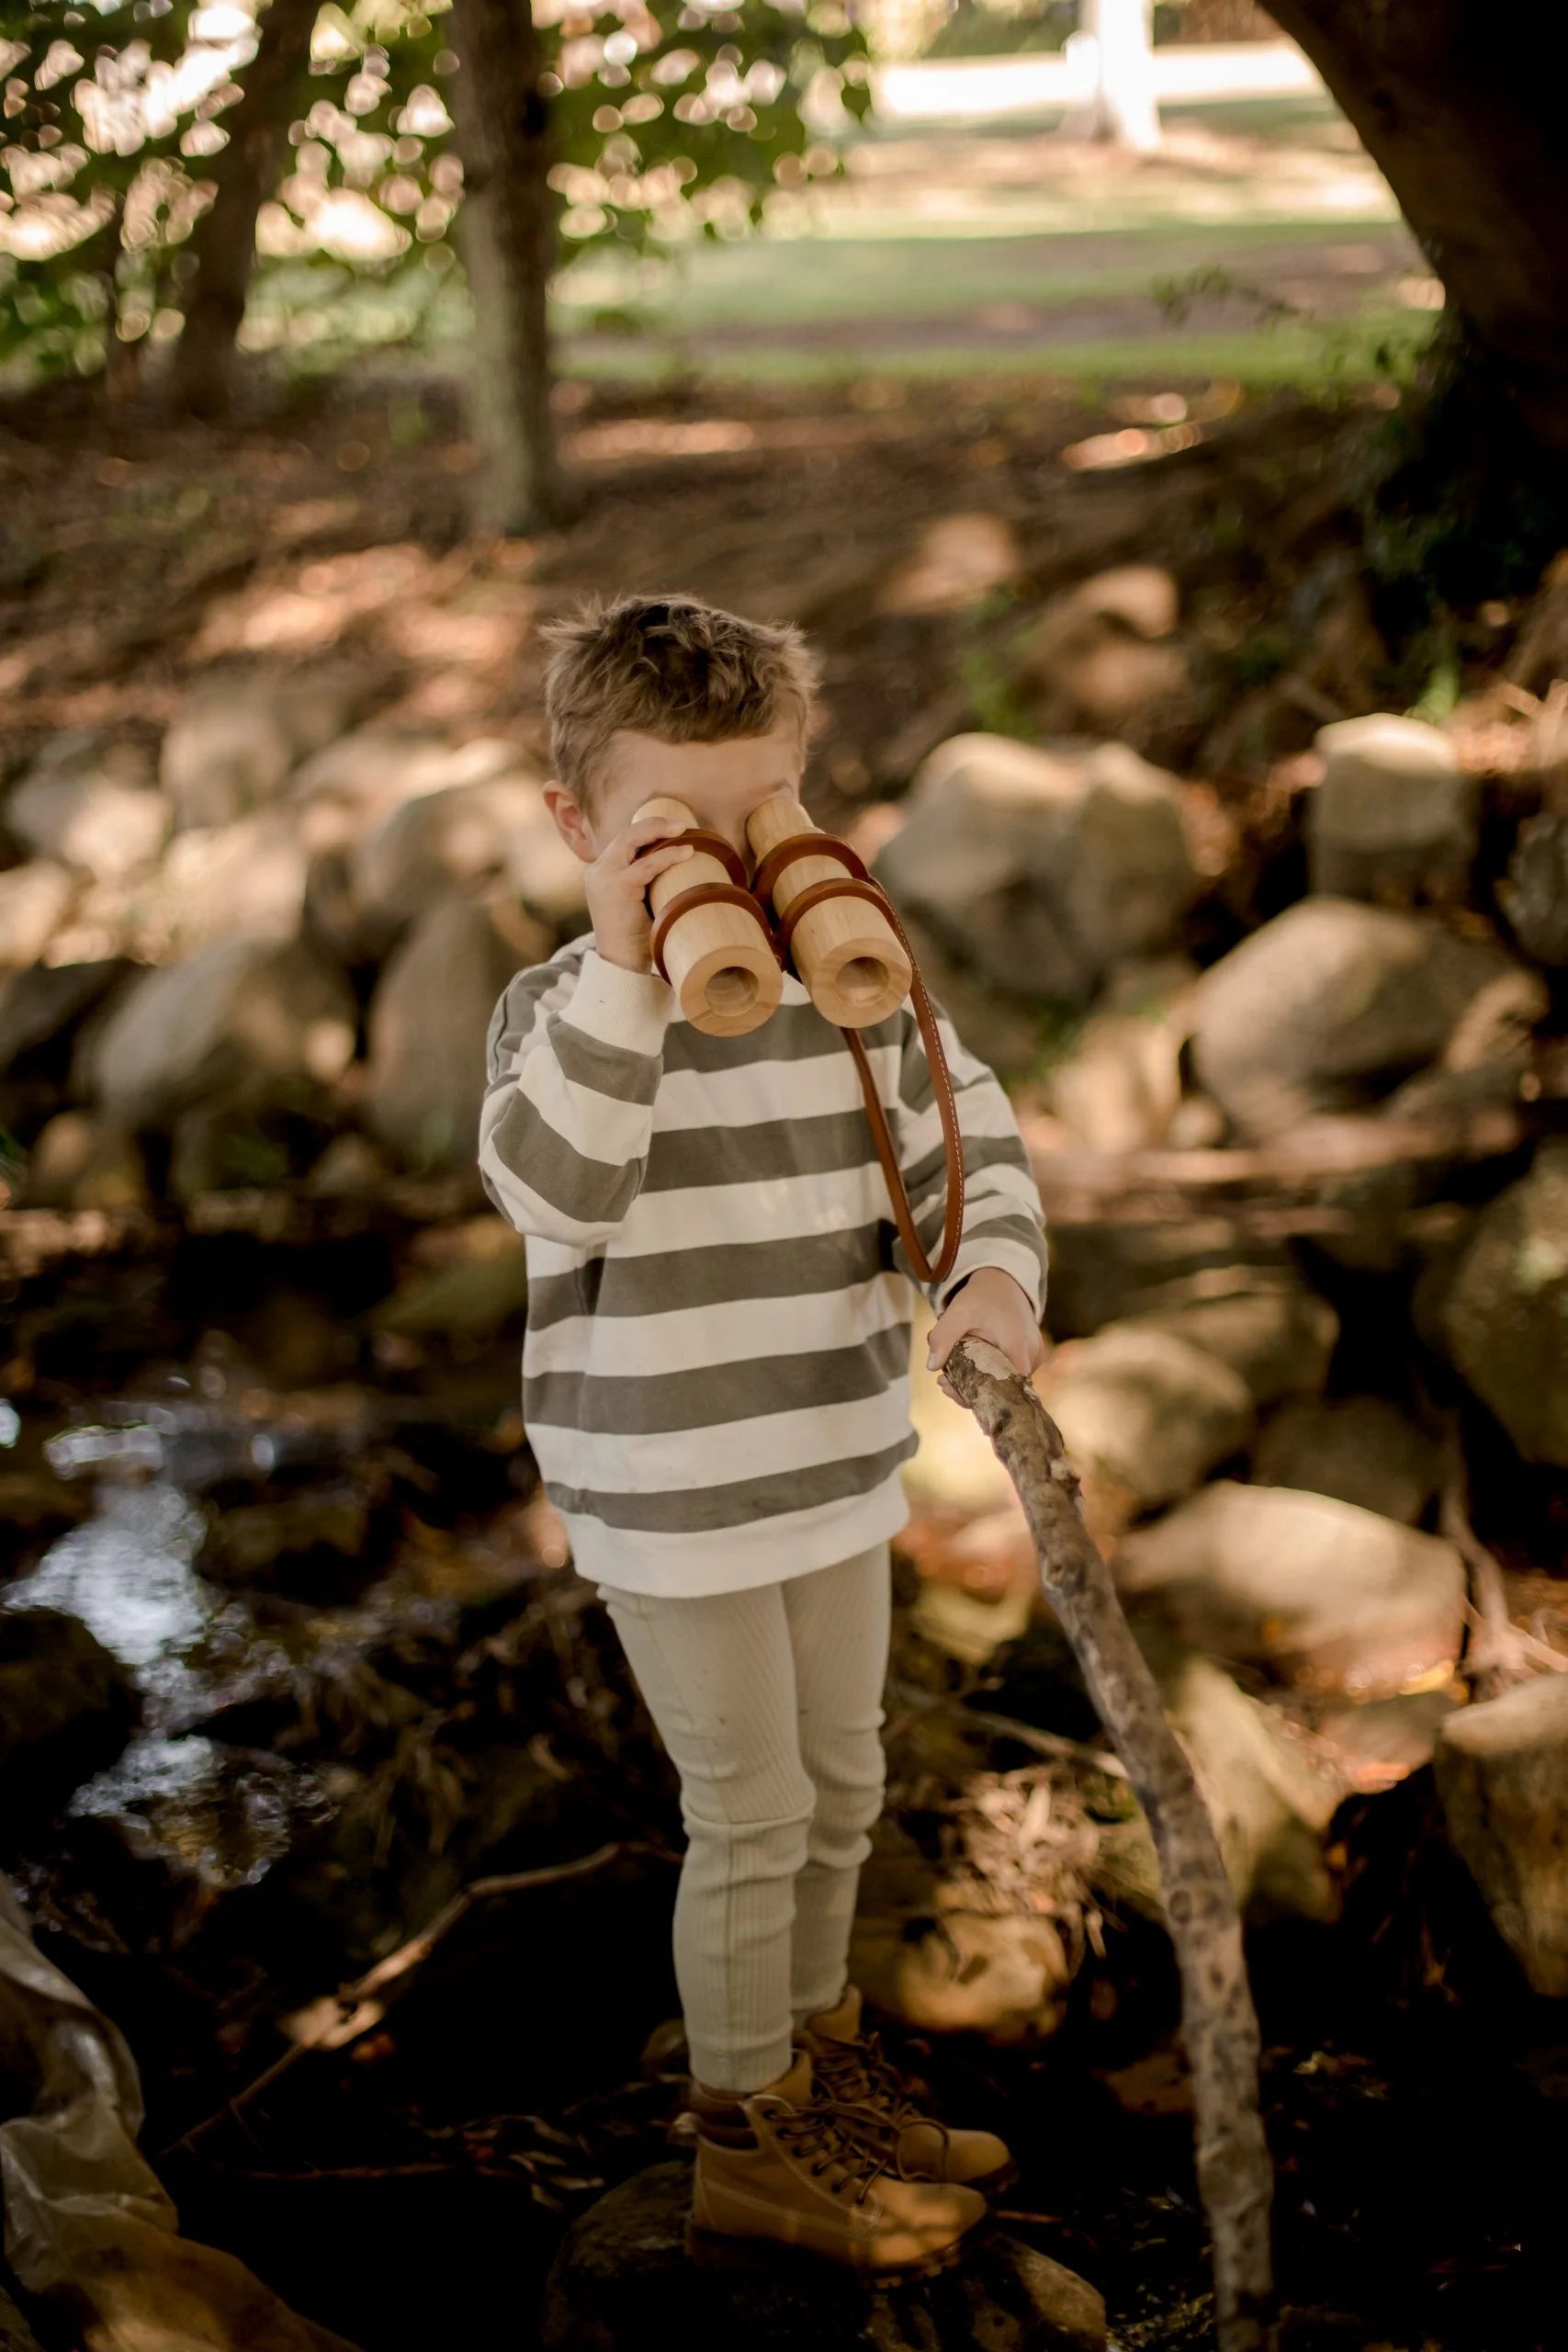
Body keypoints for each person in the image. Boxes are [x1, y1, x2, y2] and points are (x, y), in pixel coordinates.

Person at [479, 594, 1048, 2281]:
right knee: (749, 1808)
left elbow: (973, 1145)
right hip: (667, 1483)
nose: (738, 868)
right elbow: (551, 1189)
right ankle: (745, 2142)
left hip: (826, 1452)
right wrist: (631, 958)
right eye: (678, 830)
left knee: (845, 1784)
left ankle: (822, 2076)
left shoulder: (852, 980)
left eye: (767, 815)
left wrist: (995, 1281)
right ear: (583, 825)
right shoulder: (559, 1012)